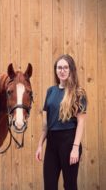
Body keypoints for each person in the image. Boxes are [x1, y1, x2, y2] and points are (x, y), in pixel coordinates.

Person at [35, 54, 87, 190]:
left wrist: (75, 148)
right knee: (49, 185)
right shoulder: (50, 91)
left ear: (71, 70)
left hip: (69, 142)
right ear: (56, 70)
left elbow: (81, 123)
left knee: (69, 185)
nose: (62, 70)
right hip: (52, 143)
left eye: (65, 67)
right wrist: (40, 145)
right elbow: (46, 124)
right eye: (59, 68)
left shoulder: (78, 93)